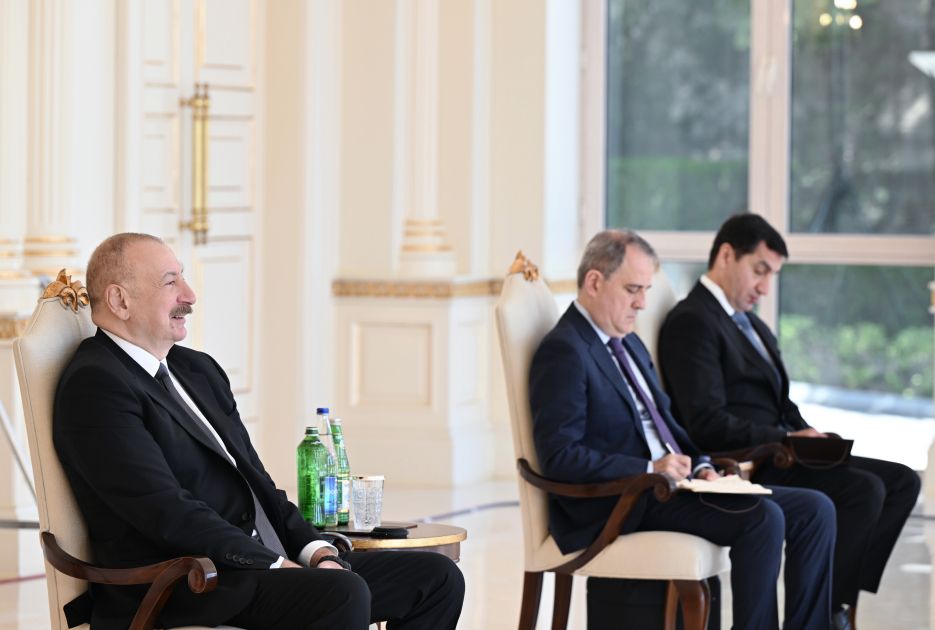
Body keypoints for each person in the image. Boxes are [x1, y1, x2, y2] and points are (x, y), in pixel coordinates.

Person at [53, 233, 464, 630]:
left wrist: (316, 552)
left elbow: (257, 482)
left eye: (183, 277)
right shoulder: (97, 385)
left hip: (254, 562)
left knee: (435, 578)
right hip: (187, 581)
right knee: (341, 593)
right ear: (119, 300)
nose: (190, 295)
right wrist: (276, 565)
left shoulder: (197, 369)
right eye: (170, 282)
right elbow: (165, 510)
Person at [530, 229, 835, 630]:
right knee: (762, 518)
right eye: (632, 290)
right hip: (623, 499)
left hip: (672, 485)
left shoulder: (628, 343)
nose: (642, 303)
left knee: (815, 509)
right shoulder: (566, 351)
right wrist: (649, 468)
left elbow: (669, 428)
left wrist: (704, 465)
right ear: (594, 282)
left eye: (646, 290)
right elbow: (560, 456)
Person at [659, 213, 921, 626]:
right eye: (759, 270)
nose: (765, 287)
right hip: (752, 458)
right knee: (865, 490)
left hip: (785, 450)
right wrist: (785, 439)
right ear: (726, 255)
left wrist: (808, 434)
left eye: (772, 275)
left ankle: (836, 603)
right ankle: (826, 615)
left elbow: (780, 402)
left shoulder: (753, 326)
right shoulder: (692, 321)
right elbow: (705, 422)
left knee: (903, 481)